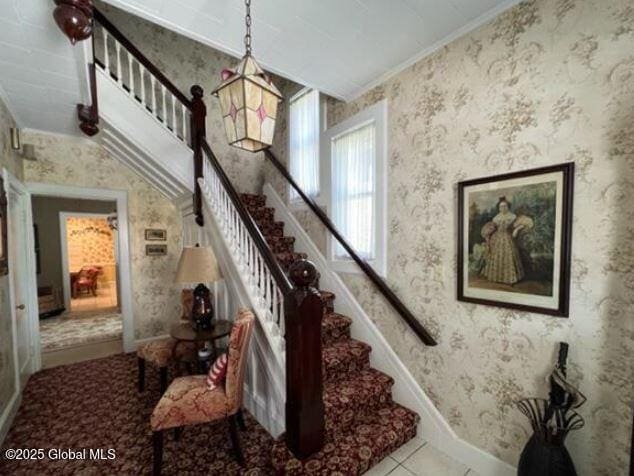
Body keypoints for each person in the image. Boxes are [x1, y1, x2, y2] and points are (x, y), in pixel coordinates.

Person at [481, 197, 526, 285]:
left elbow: (524, 223)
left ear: (508, 206)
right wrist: (487, 235)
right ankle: (497, 277)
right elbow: (491, 228)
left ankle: (510, 278)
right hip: (497, 238)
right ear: (499, 208)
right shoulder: (496, 218)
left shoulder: (513, 216)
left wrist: (516, 229)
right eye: (501, 206)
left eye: (505, 206)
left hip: (508, 237)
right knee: (497, 256)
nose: (503, 208)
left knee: (509, 255)